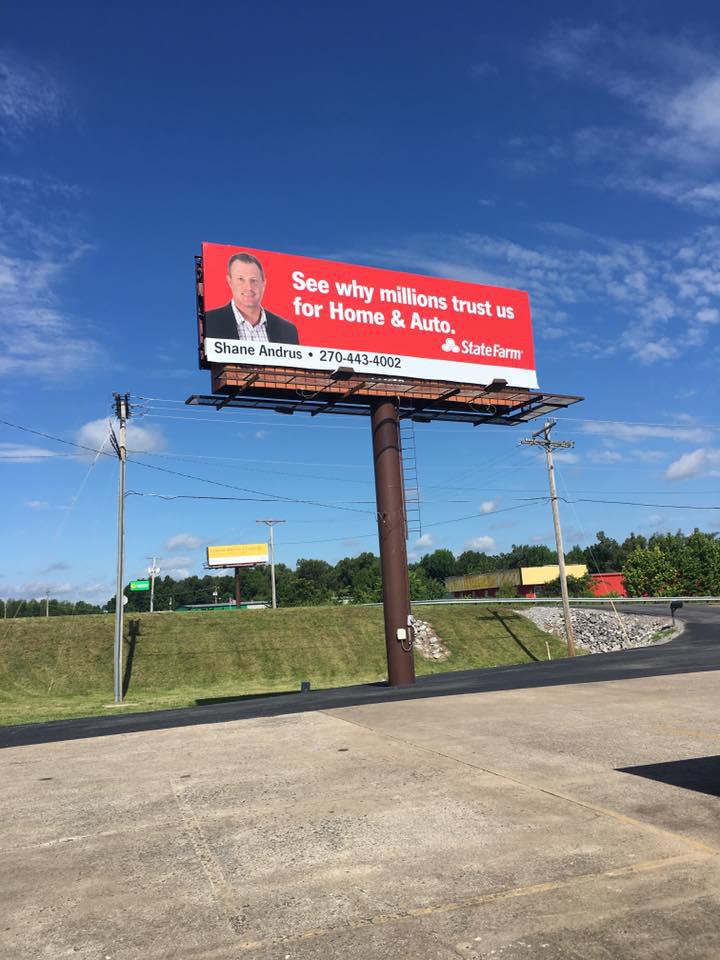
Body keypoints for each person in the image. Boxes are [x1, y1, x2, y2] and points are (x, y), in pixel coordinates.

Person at [204, 252, 299, 345]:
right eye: (241, 279)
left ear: (263, 284)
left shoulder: (288, 330)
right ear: (229, 281)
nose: (248, 287)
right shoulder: (209, 322)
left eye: (253, 280)